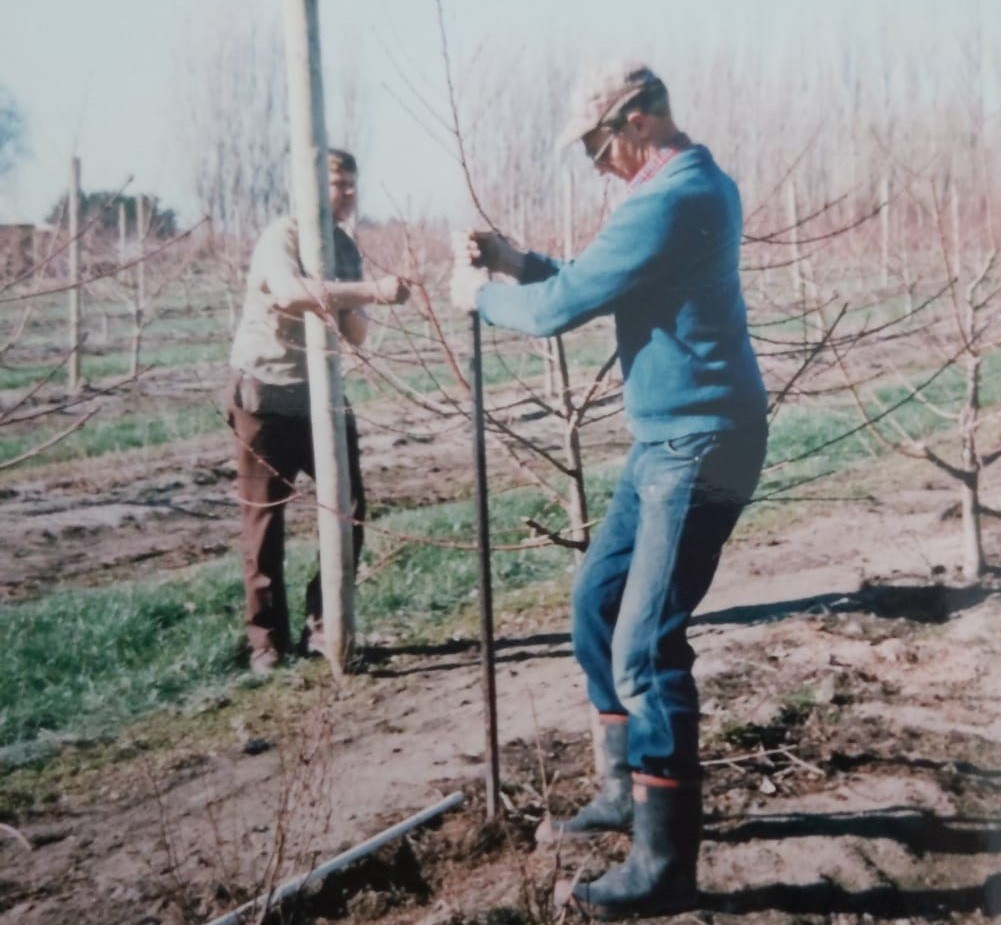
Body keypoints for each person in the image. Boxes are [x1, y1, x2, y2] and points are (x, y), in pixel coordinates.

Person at [451, 61, 770, 919]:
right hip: (672, 436)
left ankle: (664, 864)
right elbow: (602, 279)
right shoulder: (680, 188)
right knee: (597, 605)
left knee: (646, 645)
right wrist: (521, 263)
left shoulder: (673, 195)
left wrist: (481, 298)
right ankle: (625, 788)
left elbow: (565, 307)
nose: (594, 164)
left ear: (637, 120)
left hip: (700, 444)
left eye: (597, 145)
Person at [227, 148, 410, 675]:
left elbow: (355, 335)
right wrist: (367, 290)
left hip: (323, 396)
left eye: (353, 183)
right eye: (337, 184)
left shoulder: (344, 247)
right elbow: (287, 293)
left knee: (349, 510)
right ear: (307, 188)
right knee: (264, 525)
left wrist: (357, 302)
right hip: (266, 396)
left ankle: (325, 625)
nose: (348, 193)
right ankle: (266, 643)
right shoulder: (280, 237)